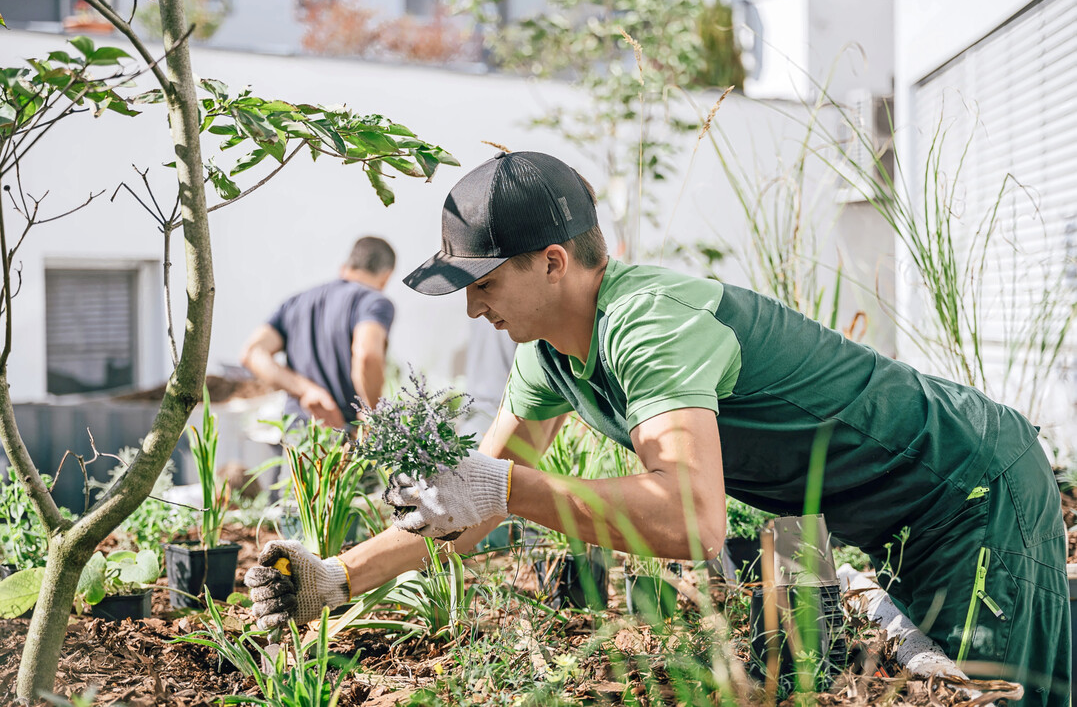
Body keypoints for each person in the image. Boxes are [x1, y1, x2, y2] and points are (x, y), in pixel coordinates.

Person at [244, 152, 1069, 705]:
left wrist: (515, 490)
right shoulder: (547, 358)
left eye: (484, 280)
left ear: (554, 263)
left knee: (993, 690)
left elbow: (692, 518)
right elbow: (467, 504)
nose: (470, 305)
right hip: (884, 512)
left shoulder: (649, 325)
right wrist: (337, 577)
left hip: (967, 486)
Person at [240, 236, 396, 430]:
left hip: (297, 434)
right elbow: (367, 355)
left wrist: (306, 391)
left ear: (345, 267)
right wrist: (371, 412)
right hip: (343, 435)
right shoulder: (374, 302)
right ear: (386, 276)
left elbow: (252, 353)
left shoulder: (296, 302)